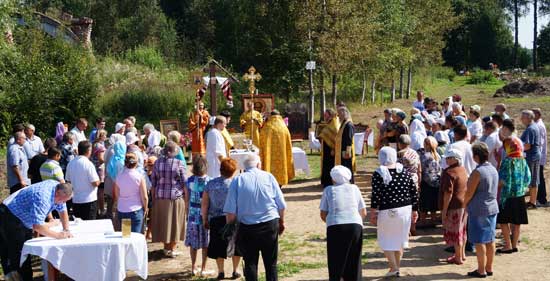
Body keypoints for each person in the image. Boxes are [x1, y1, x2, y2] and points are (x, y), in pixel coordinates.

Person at [224, 154, 287, 281]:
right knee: (271, 264)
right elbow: (281, 204)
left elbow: (230, 211)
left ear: (244, 167)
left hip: (247, 227)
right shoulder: (269, 177)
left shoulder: (237, 180)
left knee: (250, 263)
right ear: (259, 164)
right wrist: (281, 222)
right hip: (270, 224)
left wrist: (231, 230)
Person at [0, 181, 73, 280]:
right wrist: (58, 235)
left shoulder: (59, 188)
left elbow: (63, 210)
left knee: (24, 253)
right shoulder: (43, 197)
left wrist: (66, 229)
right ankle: (16, 277)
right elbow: (37, 227)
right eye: (64, 200)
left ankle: (24, 277)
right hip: (10, 215)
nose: (64, 203)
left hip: (21, 217)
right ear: (58, 194)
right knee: (18, 254)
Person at [370, 147, 418, 278]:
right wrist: (415, 210)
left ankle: (394, 267)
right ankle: (396, 267)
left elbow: (376, 196)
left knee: (385, 239)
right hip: (405, 209)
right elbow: (413, 192)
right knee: (399, 239)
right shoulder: (404, 171)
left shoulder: (379, 173)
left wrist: (373, 212)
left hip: (388, 209)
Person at [320, 166, 366, 281]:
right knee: (354, 258)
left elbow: (323, 213)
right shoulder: (354, 188)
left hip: (335, 226)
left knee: (336, 258)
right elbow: (363, 211)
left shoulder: (328, 190)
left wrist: (333, 221)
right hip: (355, 225)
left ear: (333, 178)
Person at [201, 158, 242, 280]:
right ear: (233, 171)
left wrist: (204, 219)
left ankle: (221, 272)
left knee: (218, 246)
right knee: (236, 245)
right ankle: (235, 270)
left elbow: (204, 204)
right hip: (233, 218)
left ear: (220, 170)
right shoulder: (236, 184)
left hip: (215, 219)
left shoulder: (210, 184)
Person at [464, 143, 499, 278]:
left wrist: (464, 205)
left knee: (479, 241)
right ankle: (489, 267)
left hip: (479, 209)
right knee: (490, 240)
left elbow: (469, 193)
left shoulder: (477, 172)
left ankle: (481, 270)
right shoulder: (493, 169)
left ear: (476, 156)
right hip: (492, 207)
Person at [150, 141, 187, 258]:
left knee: (164, 224)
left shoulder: (157, 163)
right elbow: (185, 183)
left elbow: (153, 183)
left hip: (160, 197)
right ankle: (171, 248)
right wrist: (187, 199)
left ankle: (166, 248)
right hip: (175, 197)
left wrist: (154, 198)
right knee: (175, 224)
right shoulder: (179, 163)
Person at [496, 130, 529, 254]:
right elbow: (528, 178)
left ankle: (508, 245)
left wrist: (495, 187)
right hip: (520, 195)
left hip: (507, 195)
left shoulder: (507, 161)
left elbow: (502, 181)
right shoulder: (523, 161)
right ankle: (514, 245)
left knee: (504, 221)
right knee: (517, 222)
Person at [439, 149, 468, 265]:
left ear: (454, 159)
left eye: (448, 158)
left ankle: (458, 257)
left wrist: (444, 211)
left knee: (456, 233)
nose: (446, 160)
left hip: (454, 206)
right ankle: (462, 254)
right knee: (462, 231)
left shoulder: (449, 172)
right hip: (464, 204)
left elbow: (448, 194)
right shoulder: (463, 169)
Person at [185, 156, 211, 276]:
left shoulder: (189, 181)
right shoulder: (210, 182)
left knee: (193, 244)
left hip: (192, 216)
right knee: (205, 244)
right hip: (206, 216)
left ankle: (193, 267)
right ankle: (203, 268)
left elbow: (186, 200)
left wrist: (187, 214)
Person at [65, 141, 100, 220]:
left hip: (76, 199)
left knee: (78, 226)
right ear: (88, 151)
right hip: (89, 199)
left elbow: (68, 181)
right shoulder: (88, 164)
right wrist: (99, 181)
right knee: (89, 225)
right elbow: (95, 182)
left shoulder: (71, 163)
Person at [113, 153, 148, 233]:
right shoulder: (139, 176)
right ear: (136, 163)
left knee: (126, 235)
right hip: (135, 209)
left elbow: (117, 195)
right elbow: (144, 197)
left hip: (122, 209)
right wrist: (145, 208)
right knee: (136, 236)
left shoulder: (119, 176)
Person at [259, 110, 295, 187]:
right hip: (281, 156)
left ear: (271, 116)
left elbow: (261, 139)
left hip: (270, 156)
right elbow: (288, 142)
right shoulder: (283, 126)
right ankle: (279, 185)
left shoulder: (267, 126)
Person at [418, 136, 441, 226]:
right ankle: (433, 219)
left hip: (426, 182)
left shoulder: (424, 156)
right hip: (436, 181)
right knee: (433, 202)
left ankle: (423, 221)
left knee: (424, 202)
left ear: (426, 144)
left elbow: (421, 169)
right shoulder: (437, 155)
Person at [520, 110, 541, 209]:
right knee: (534, 179)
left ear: (528, 118)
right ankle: (532, 202)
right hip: (534, 156)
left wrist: (516, 149)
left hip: (531, 156)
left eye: (522, 117)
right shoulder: (533, 127)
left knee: (531, 179)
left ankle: (532, 202)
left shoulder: (530, 129)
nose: (521, 119)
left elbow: (527, 146)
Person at [317, 109, 340, 188]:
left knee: (330, 165)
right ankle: (325, 181)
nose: (325, 117)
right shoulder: (328, 123)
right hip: (325, 148)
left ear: (331, 115)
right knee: (326, 165)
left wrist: (334, 149)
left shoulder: (334, 123)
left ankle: (329, 182)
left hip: (331, 150)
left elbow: (335, 136)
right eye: (324, 115)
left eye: (326, 115)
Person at [335, 107, 356, 183]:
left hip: (346, 151)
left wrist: (347, 152)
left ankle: (350, 182)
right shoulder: (343, 123)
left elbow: (349, 139)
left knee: (347, 167)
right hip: (342, 149)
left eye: (339, 114)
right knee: (344, 167)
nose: (338, 116)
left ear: (344, 113)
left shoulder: (348, 124)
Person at [533, 108, 548, 206]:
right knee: (538, 177)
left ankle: (542, 199)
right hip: (538, 156)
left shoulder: (539, 126)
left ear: (538, 115)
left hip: (538, 156)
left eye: (533, 114)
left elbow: (540, 144)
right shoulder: (537, 125)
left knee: (539, 177)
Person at [92, 129, 108, 217]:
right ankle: (101, 210)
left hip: (94, 168)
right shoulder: (100, 147)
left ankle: (97, 209)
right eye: (105, 135)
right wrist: (108, 160)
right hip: (100, 170)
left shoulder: (94, 144)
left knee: (96, 190)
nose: (106, 137)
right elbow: (101, 159)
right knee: (101, 191)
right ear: (101, 136)